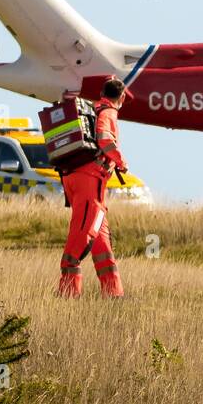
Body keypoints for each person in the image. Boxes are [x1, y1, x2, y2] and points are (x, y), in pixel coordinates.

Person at [57, 78, 129, 298]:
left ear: (101, 93)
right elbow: (105, 140)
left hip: (74, 179)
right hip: (90, 185)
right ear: (123, 97)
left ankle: (113, 295)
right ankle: (68, 297)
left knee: (101, 244)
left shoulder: (93, 108)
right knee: (79, 242)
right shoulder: (108, 113)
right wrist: (121, 161)